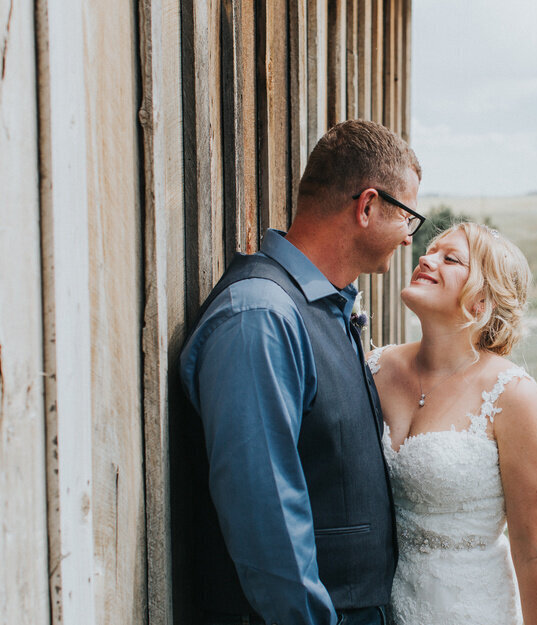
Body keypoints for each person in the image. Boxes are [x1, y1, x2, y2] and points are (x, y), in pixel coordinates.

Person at [179, 119, 423, 625]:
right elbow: (264, 518)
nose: (407, 239)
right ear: (368, 207)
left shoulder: (321, 306)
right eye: (407, 217)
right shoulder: (261, 317)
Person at [365, 222, 537, 625]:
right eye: (429, 250)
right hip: (379, 608)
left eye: (449, 258)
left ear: (483, 299)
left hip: (471, 609)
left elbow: (534, 553)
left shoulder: (515, 397)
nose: (425, 258)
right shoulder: (374, 368)